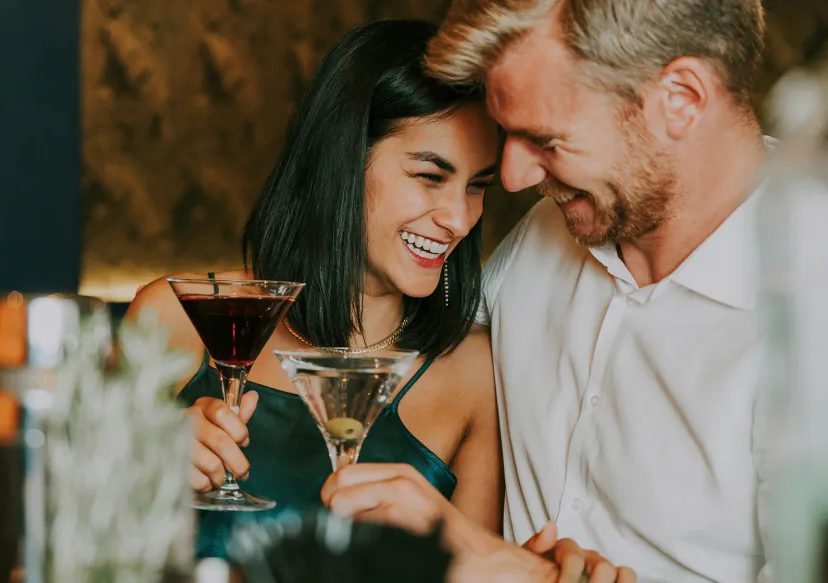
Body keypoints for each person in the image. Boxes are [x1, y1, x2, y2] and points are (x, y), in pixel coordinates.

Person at [130, 18, 625, 582]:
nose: (460, 219)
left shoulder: (471, 376)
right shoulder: (180, 318)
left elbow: (471, 568)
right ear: (341, 163)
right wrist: (141, 466)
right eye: (430, 176)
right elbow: (66, 536)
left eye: (476, 185)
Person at [321, 1, 771, 581]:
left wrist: (512, 568)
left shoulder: (808, 315)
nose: (514, 176)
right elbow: (381, 333)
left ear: (680, 101)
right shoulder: (553, 228)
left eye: (547, 140)